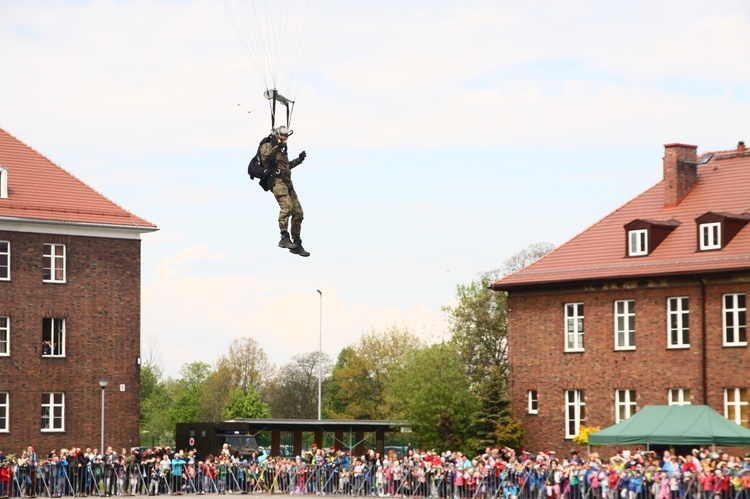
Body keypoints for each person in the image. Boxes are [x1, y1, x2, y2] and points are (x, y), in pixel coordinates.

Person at [259, 126, 309, 257]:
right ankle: (284, 237)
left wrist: (299, 160)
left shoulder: (282, 149)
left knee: (298, 212)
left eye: (287, 137)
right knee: (287, 207)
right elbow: (265, 159)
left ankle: (296, 243)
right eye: (283, 136)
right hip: (276, 181)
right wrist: (275, 146)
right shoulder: (267, 145)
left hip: (287, 182)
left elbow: (285, 166)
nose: (285, 139)